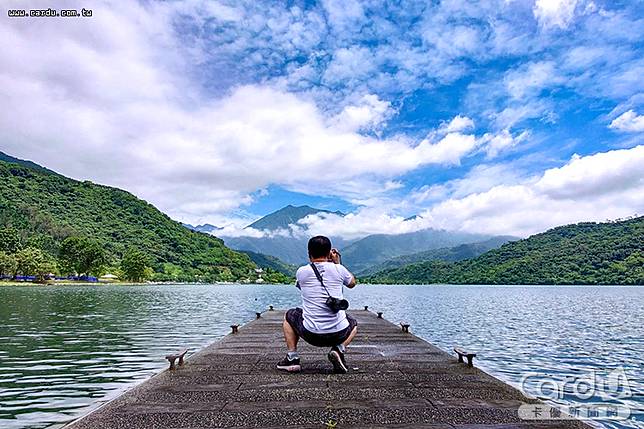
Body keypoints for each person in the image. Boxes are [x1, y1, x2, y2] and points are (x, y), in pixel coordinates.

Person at [277, 235, 357, 374]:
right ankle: (338, 349)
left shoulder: (301, 272)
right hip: (338, 334)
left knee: (290, 315)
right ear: (329, 253)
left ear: (309, 254)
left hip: (311, 334)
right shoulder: (339, 269)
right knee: (353, 323)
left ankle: (292, 358)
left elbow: (301, 286)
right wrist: (337, 264)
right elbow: (352, 284)